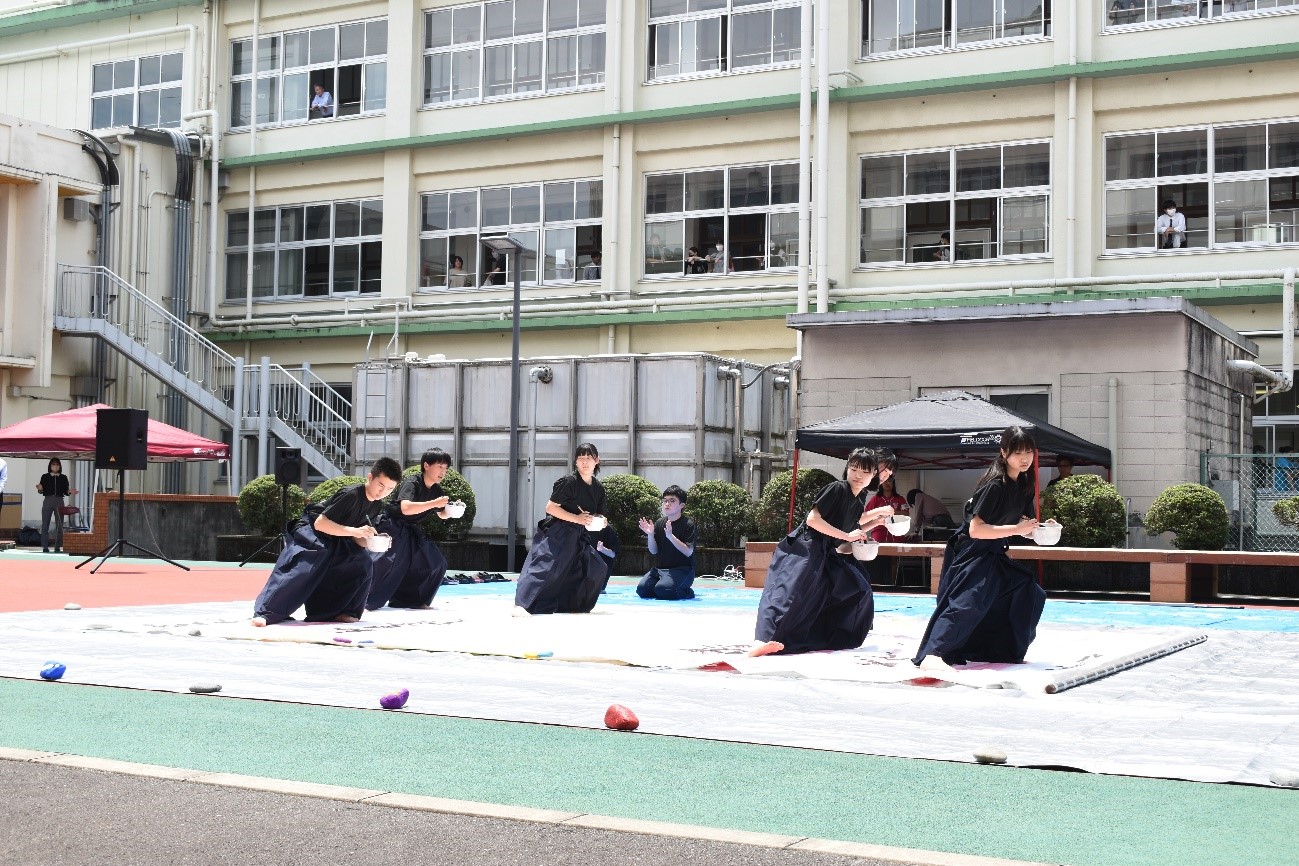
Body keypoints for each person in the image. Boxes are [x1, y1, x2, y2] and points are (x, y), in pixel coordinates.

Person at [912, 426, 1046, 669]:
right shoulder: (994, 486)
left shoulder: (1024, 485)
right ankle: (933, 654)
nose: (1025, 458)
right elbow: (976, 529)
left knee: (1028, 590)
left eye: (1029, 452)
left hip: (994, 552)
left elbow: (1022, 527)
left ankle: (998, 650)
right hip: (971, 552)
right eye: (1018, 452)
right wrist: (1017, 529)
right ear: (1004, 453)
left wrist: (1042, 529)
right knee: (967, 602)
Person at [750, 447, 894, 657]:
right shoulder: (836, 488)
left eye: (864, 471)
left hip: (826, 551)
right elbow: (812, 520)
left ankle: (830, 638)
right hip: (804, 546)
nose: (858, 475)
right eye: (854, 469)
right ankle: (761, 641)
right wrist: (848, 536)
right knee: (788, 594)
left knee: (856, 588)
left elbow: (852, 525)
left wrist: (876, 523)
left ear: (873, 475)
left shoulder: (859, 496)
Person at [252, 457, 403, 627]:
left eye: (389, 489)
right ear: (370, 477)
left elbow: (357, 540)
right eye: (381, 485)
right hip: (312, 529)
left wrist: (372, 540)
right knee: (308, 564)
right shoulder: (352, 494)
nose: (383, 492)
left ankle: (341, 612)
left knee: (362, 562)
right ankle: (266, 612)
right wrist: (354, 531)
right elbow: (320, 523)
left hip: (337, 536)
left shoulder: (376, 505)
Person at [514, 443, 611, 615]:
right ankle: (522, 605)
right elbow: (551, 508)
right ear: (575, 462)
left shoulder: (598, 488)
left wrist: (601, 521)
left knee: (595, 568)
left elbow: (600, 514)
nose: (585, 462)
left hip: (579, 535)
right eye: (580, 458)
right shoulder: (569, 482)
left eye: (588, 458)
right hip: (558, 532)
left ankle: (571, 604)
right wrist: (577, 518)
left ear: (597, 461)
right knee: (545, 568)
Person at [367, 449, 455, 611]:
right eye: (439, 467)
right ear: (426, 466)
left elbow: (440, 514)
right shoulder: (413, 482)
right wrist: (434, 503)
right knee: (387, 564)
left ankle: (410, 600)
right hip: (392, 527)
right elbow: (406, 508)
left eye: (445, 468)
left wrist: (450, 512)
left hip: (411, 531)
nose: (443, 472)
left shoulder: (436, 490)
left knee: (434, 562)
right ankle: (364, 600)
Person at [636, 485, 698, 600]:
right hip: (660, 569)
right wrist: (650, 535)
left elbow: (688, 552)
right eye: (665, 500)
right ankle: (666, 587)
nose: (667, 504)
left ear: (682, 505)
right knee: (642, 590)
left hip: (683, 569)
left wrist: (670, 536)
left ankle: (687, 592)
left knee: (664, 590)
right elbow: (653, 551)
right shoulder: (660, 522)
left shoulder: (688, 524)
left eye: (672, 501)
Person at [37, 459, 77, 554]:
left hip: (59, 500)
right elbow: (41, 490)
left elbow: (65, 491)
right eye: (53, 464)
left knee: (59, 524)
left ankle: (57, 547)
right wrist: (40, 489)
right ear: (50, 466)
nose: (55, 466)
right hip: (48, 499)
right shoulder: (45, 476)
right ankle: (45, 547)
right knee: (45, 523)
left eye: (57, 464)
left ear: (60, 466)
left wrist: (69, 492)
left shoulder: (63, 477)